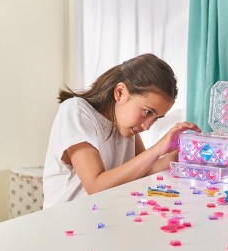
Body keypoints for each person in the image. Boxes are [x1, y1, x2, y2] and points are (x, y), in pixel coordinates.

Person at [43, 53, 201, 209]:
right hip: (63, 221)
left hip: (100, 219)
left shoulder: (125, 126)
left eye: (156, 118)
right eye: (147, 112)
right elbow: (95, 186)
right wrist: (158, 149)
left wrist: (180, 154)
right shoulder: (76, 111)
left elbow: (144, 172)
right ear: (120, 92)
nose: (147, 126)